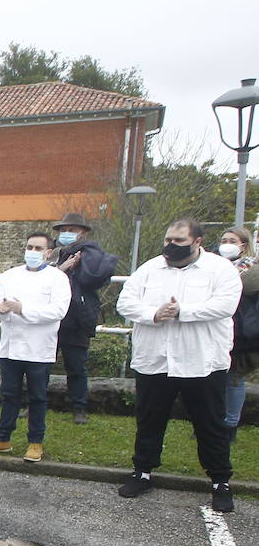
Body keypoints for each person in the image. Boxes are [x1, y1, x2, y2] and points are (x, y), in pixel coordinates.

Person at [116, 219, 241, 512]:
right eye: (168, 239)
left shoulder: (220, 270)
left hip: (202, 361)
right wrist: (154, 313)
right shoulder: (150, 268)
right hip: (155, 360)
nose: (170, 246)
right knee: (149, 419)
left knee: (210, 423)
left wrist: (183, 311)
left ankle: (220, 481)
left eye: (179, 241)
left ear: (197, 242)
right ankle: (142, 472)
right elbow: (125, 302)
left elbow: (225, 306)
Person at [0, 233, 71, 463]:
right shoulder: (10, 275)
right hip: (11, 345)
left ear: (48, 252)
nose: (32, 251)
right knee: (9, 395)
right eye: (29, 247)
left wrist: (22, 309)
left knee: (37, 397)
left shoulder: (57, 278)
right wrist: (2, 309)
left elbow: (58, 311)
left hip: (39, 348)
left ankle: (35, 441)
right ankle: (2, 437)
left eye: (38, 248)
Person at [50, 212, 119, 425]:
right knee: (40, 364)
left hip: (77, 318)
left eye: (72, 230)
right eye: (64, 230)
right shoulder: (52, 253)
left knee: (77, 366)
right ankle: (31, 403)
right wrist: (63, 268)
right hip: (51, 317)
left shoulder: (90, 254)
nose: (67, 234)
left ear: (82, 233)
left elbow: (93, 279)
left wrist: (79, 266)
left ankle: (79, 408)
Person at [217, 226, 259, 442]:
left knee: (234, 380)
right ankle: (214, 422)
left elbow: (245, 288)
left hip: (240, 333)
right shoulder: (214, 265)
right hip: (216, 330)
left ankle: (230, 425)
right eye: (224, 240)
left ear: (244, 244)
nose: (226, 244)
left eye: (232, 240)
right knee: (215, 379)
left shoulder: (252, 269)